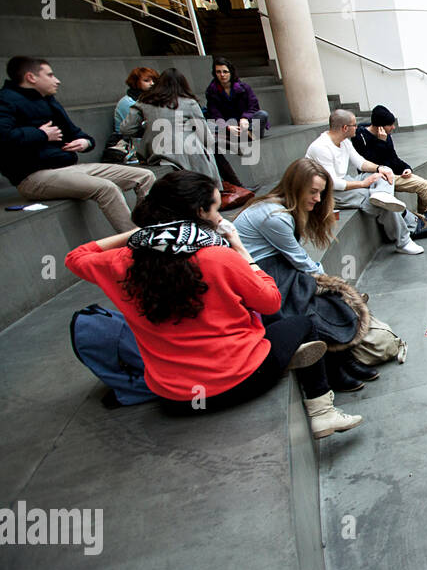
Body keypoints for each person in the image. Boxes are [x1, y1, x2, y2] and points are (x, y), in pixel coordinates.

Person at [64, 171, 362, 438]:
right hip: (241, 381)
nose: (220, 217)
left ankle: (294, 364)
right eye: (216, 209)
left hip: (174, 398)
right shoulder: (219, 257)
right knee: (303, 323)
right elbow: (270, 302)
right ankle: (322, 411)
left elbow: (75, 257)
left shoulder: (120, 262)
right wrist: (243, 252)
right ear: (199, 213)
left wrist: (143, 233)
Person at [234, 158, 380, 393]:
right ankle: (335, 370)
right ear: (295, 187)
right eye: (312, 192)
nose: (318, 199)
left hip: (276, 269)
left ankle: (346, 361)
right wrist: (332, 283)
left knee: (329, 300)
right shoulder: (276, 217)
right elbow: (301, 260)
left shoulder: (282, 208)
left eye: (320, 193)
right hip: (259, 275)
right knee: (314, 307)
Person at [1, 55, 154, 233]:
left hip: (68, 168)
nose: (57, 81)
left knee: (145, 176)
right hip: (32, 177)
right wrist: (41, 134)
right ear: (31, 77)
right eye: (50, 75)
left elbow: (77, 133)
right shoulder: (5, 100)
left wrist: (85, 142)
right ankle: (137, 239)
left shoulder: (48, 100)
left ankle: (154, 229)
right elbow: (3, 137)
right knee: (107, 188)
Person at [309, 109, 427, 256]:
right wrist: (363, 184)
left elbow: (361, 163)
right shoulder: (321, 148)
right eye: (354, 125)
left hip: (344, 181)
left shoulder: (344, 142)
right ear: (345, 128)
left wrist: (379, 168)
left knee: (385, 173)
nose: (357, 128)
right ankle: (403, 242)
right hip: (327, 191)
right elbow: (332, 183)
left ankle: (382, 194)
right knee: (382, 204)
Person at [351, 105, 427, 226]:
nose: (393, 127)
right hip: (376, 178)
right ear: (380, 126)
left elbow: (393, 158)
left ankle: (424, 212)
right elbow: (368, 163)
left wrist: (406, 168)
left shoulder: (386, 135)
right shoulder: (360, 136)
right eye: (390, 125)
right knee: (422, 185)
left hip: (391, 173)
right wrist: (381, 142)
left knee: (423, 183)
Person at [117, 67, 226, 182]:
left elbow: (126, 129)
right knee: (207, 151)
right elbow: (205, 136)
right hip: (185, 152)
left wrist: (149, 130)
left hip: (155, 151)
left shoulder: (143, 101)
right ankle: (217, 186)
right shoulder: (189, 102)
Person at [206, 57, 269, 143]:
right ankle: (245, 135)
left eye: (225, 71)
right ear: (215, 73)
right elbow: (215, 114)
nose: (222, 75)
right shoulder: (211, 92)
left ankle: (241, 135)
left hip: (246, 124)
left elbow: (254, 107)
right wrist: (227, 127)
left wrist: (245, 118)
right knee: (208, 124)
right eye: (218, 72)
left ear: (230, 72)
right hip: (228, 125)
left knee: (262, 114)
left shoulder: (244, 88)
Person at [106, 66, 158, 160]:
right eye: (146, 81)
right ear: (136, 82)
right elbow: (132, 128)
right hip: (128, 141)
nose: (152, 83)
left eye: (154, 80)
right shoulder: (128, 102)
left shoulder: (153, 99)